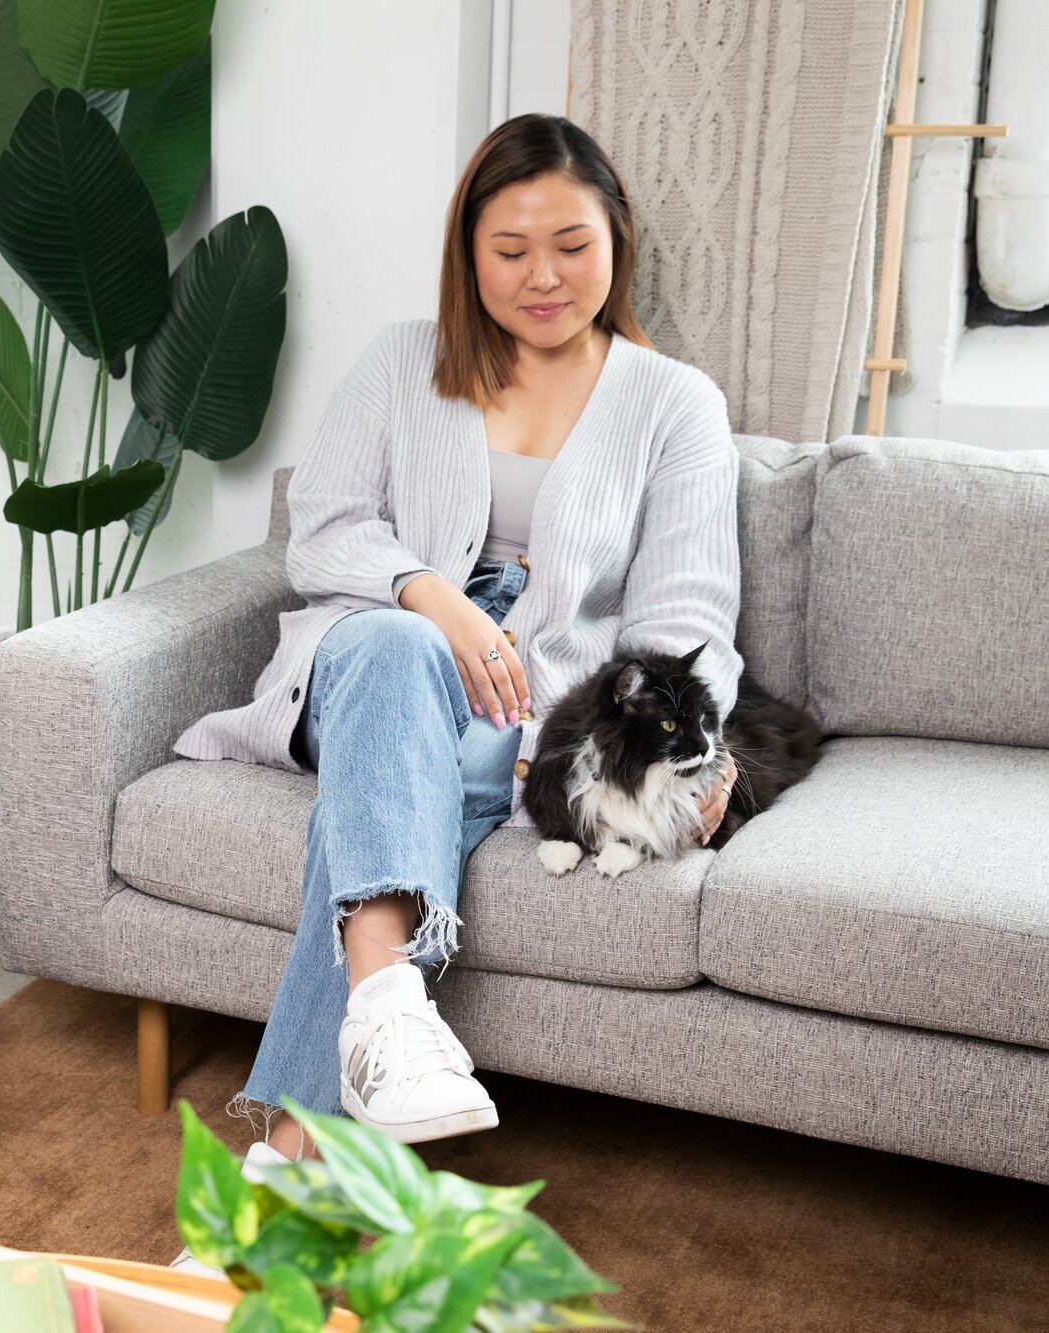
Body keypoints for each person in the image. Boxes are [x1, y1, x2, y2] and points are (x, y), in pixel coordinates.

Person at [168, 113, 743, 1253]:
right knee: (396, 653)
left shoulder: (674, 402)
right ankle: (385, 1018)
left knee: (412, 790)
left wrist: (701, 746)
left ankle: (298, 1153)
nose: (542, 276)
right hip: (371, 648)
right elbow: (321, 531)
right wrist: (428, 593)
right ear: (466, 252)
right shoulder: (398, 358)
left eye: (571, 246)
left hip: (535, 702)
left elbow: (683, 619)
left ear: (616, 244)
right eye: (510, 248)